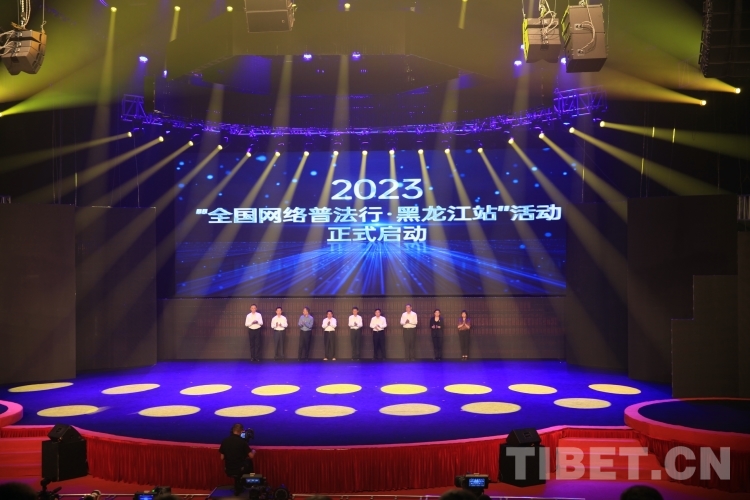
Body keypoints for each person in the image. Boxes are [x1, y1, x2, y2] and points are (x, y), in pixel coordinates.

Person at [219, 423, 255, 496]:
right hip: (240, 469)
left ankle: (239, 486)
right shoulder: (242, 442)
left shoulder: (225, 441)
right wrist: (254, 451)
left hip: (228, 469)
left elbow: (221, 458)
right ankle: (250, 484)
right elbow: (251, 456)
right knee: (249, 462)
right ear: (241, 431)